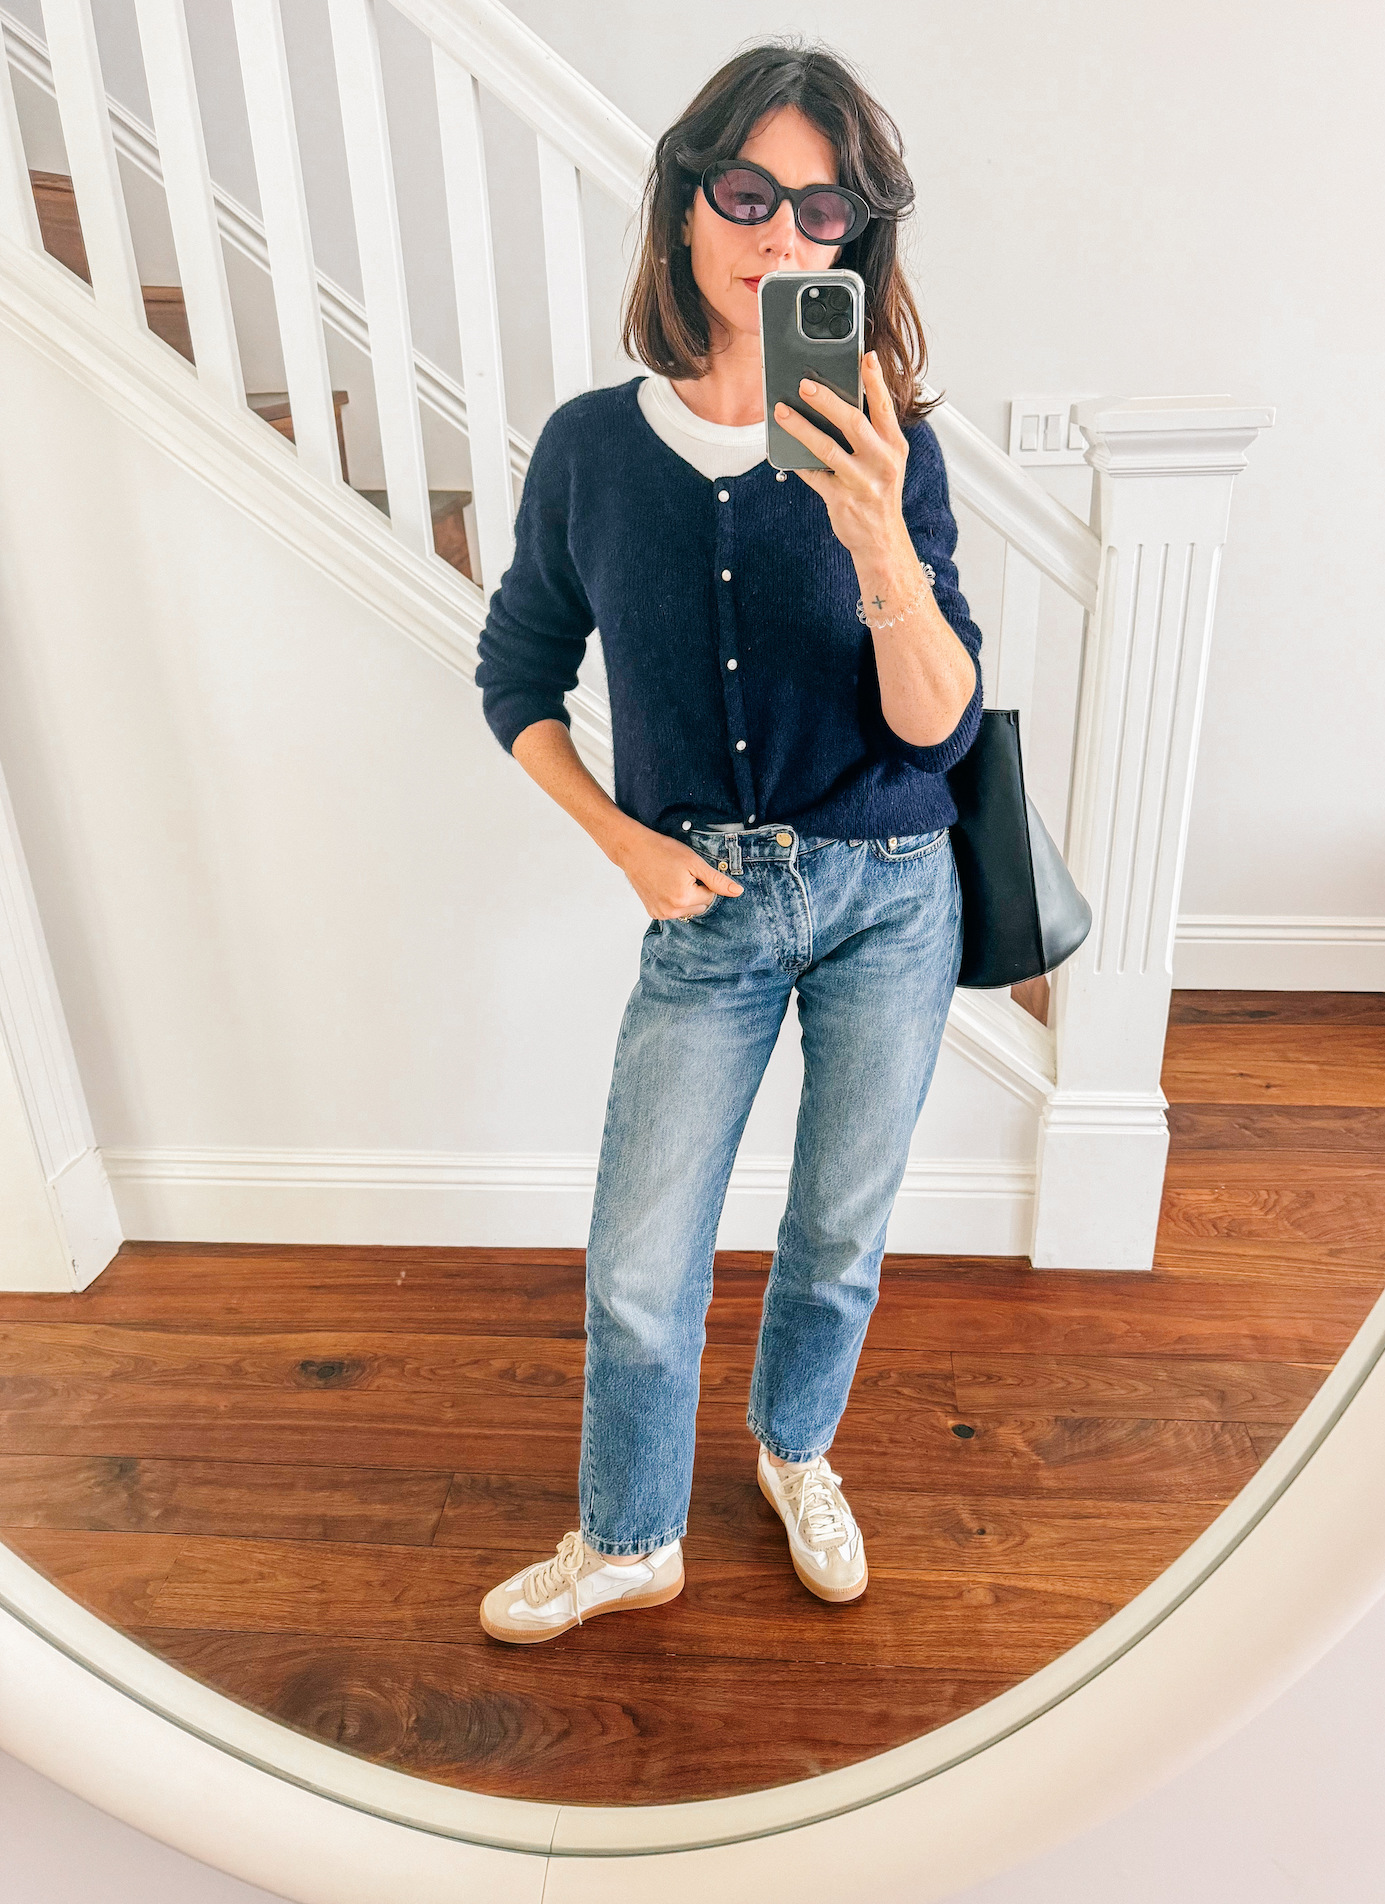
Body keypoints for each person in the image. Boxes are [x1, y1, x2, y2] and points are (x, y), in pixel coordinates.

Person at [473, 39, 983, 1644]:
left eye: (822, 211)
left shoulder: (890, 448)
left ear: (854, 244)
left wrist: (882, 539)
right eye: (751, 194)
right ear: (688, 205)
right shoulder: (590, 451)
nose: (782, 237)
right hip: (701, 905)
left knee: (837, 1235)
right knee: (641, 1254)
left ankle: (794, 1448)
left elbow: (941, 726)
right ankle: (630, 1537)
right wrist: (621, 840)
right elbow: (515, 677)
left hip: (893, 895)